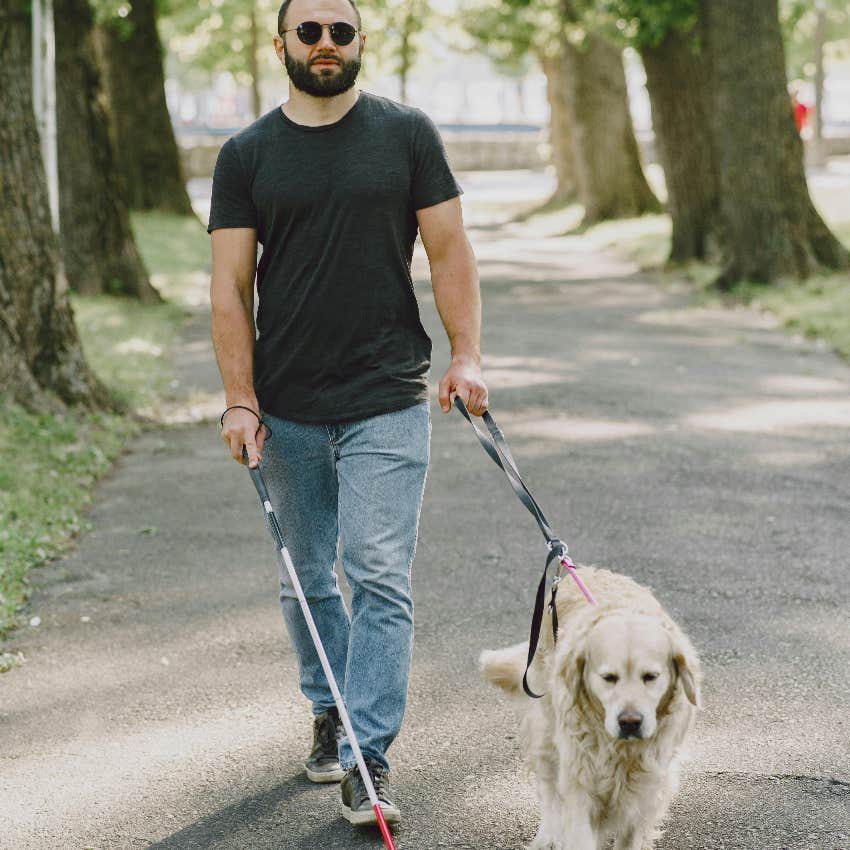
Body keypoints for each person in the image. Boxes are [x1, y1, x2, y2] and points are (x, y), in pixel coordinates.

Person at [207, 0, 488, 829]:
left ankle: (367, 754)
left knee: (376, 569)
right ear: (282, 44)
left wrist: (466, 353)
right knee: (306, 578)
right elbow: (229, 286)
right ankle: (328, 705)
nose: (325, 44)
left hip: (387, 397)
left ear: (360, 42)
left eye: (340, 31)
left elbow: (449, 251)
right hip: (287, 407)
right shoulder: (246, 153)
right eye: (310, 31)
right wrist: (240, 399)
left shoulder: (407, 136)